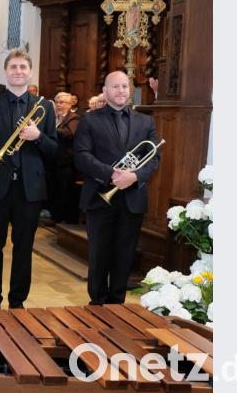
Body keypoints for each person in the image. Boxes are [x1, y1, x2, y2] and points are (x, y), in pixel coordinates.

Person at [0, 50, 57, 311]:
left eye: (23, 67)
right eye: (13, 67)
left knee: (24, 248)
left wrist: (38, 136)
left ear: (30, 71)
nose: (18, 71)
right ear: (6, 72)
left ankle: (17, 301)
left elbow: (55, 150)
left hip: (28, 190)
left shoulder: (45, 107)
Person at [74, 71, 162, 305]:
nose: (121, 90)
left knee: (125, 256)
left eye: (125, 86)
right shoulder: (90, 119)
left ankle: (117, 306)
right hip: (99, 197)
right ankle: (97, 304)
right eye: (115, 86)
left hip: (132, 198)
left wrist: (133, 176)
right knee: (99, 255)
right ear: (105, 90)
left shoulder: (146, 121)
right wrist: (112, 174)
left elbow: (154, 157)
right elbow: (82, 156)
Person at [50, 92, 81, 224]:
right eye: (57, 102)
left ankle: (67, 220)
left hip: (67, 162)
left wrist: (50, 129)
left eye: (62, 102)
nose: (59, 105)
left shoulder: (74, 118)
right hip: (54, 160)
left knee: (66, 192)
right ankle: (56, 218)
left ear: (69, 104)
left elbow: (69, 134)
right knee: (55, 191)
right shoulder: (54, 117)